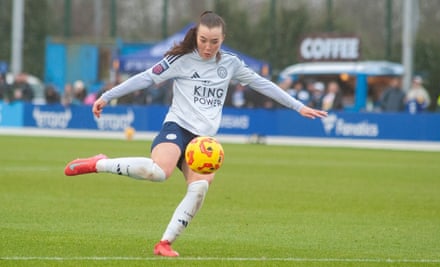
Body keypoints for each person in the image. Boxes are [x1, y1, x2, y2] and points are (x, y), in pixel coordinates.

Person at [64, 11, 327, 257]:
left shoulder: (231, 64)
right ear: (196, 36)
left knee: (200, 187)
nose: (208, 46)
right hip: (176, 128)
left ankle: (164, 243)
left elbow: (263, 84)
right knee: (158, 173)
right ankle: (99, 163)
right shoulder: (180, 60)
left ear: (223, 39)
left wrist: (299, 106)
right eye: (203, 40)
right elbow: (145, 78)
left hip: (203, 143)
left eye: (214, 41)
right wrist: (107, 97)